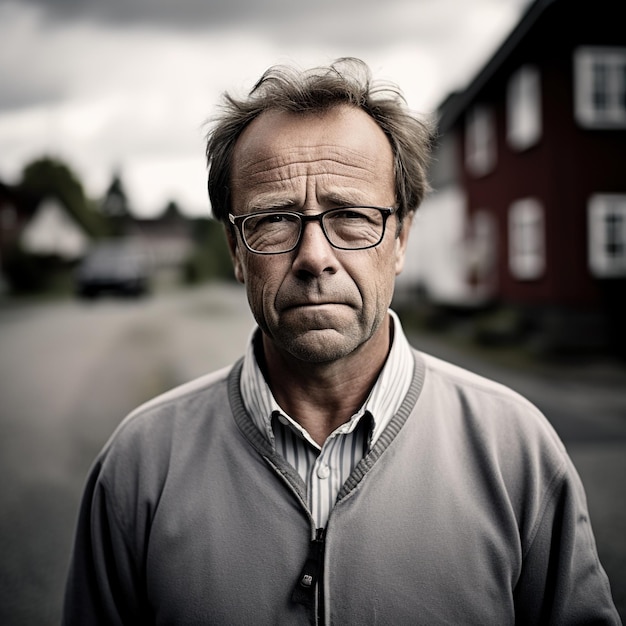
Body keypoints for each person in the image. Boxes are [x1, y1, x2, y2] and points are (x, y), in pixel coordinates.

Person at [63, 58, 620, 625]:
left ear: (401, 238)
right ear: (235, 249)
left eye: (351, 215)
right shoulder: (139, 464)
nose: (314, 257)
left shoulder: (515, 450)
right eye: (274, 220)